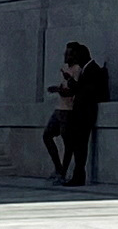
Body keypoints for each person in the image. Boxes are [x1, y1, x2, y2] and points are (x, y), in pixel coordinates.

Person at [44, 40, 109, 186]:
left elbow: (86, 91)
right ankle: (75, 175)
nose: (74, 59)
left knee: (78, 146)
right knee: (78, 146)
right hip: (80, 113)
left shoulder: (91, 69)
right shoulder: (87, 69)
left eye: (76, 55)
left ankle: (75, 176)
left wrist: (70, 82)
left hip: (84, 113)